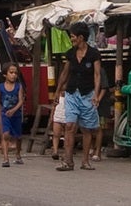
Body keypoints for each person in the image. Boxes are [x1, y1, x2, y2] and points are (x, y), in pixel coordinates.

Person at [53, 23, 102, 171]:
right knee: (69, 126)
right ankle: (68, 161)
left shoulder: (94, 54)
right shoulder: (70, 53)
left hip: (87, 95)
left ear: (81, 37)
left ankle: (85, 161)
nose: (71, 39)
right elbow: (65, 73)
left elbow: (97, 75)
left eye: (73, 36)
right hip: (72, 93)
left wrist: (96, 95)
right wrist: (57, 91)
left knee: (87, 129)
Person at [0, 63, 25, 167]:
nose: (13, 75)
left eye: (15, 73)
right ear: (5, 74)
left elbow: (21, 101)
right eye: (11, 72)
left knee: (18, 137)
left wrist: (14, 110)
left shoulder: (19, 87)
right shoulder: (0, 87)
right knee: (6, 135)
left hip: (16, 115)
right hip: (5, 114)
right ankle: (5, 158)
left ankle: (18, 154)